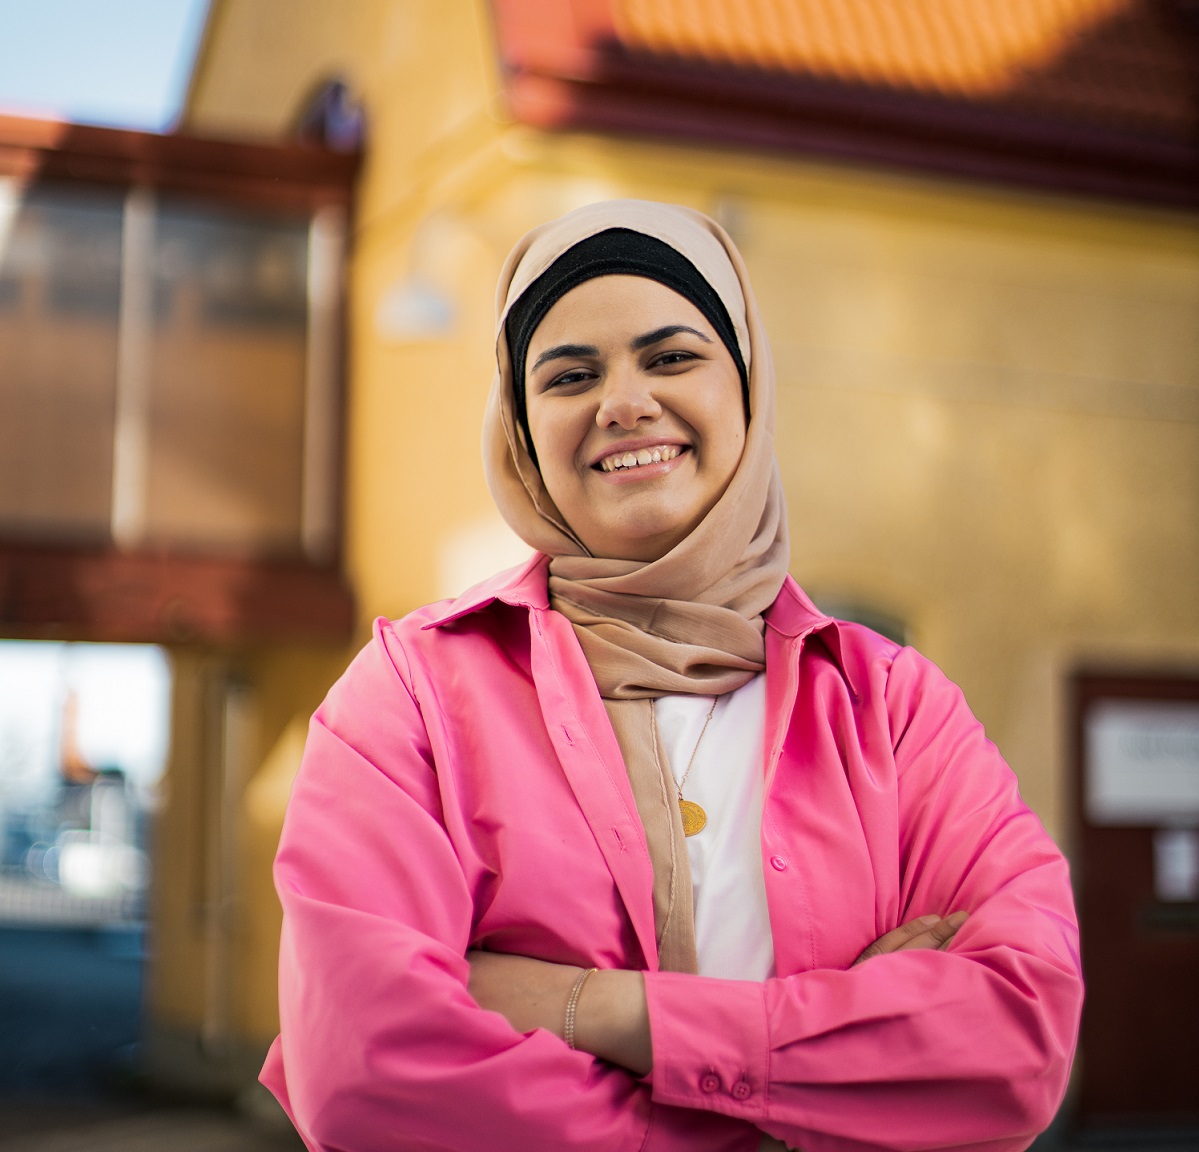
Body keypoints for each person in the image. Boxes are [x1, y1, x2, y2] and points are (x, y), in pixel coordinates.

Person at [261, 200, 1083, 1151]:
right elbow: (371, 1086)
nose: (623, 401)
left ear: (746, 387)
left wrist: (595, 1010)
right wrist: (820, 1073)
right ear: (521, 430)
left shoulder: (892, 709)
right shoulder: (408, 699)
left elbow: (1013, 1040)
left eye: (671, 356)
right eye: (569, 375)